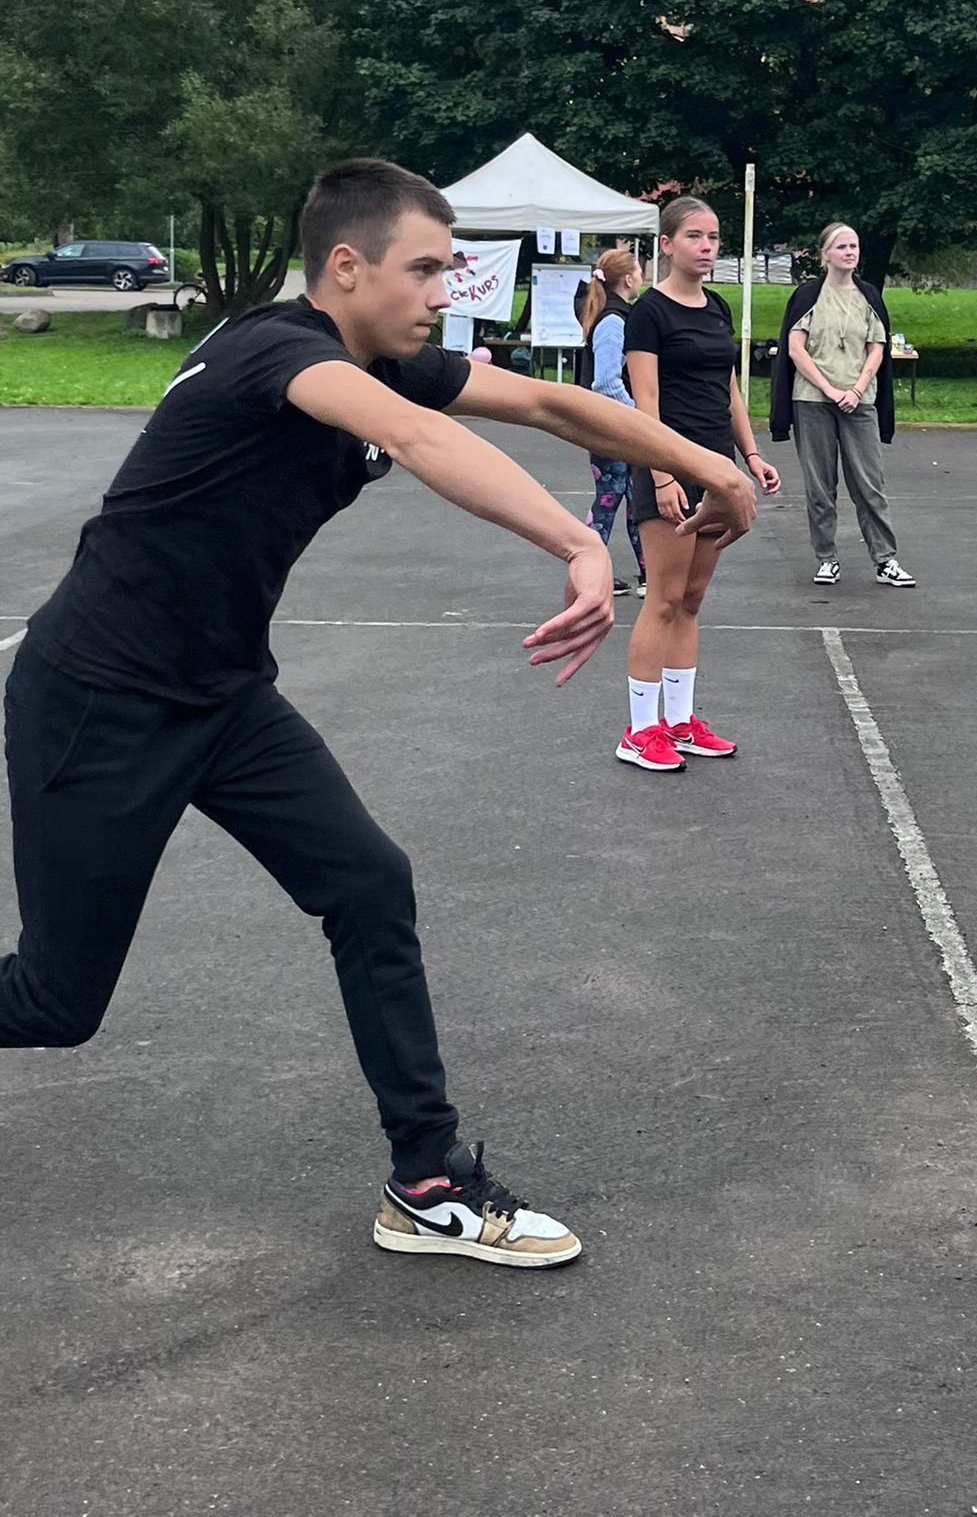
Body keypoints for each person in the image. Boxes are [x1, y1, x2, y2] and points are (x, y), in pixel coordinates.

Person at [1, 159, 757, 1268]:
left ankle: (430, 1180)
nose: (444, 293)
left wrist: (711, 465)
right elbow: (415, 437)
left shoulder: (386, 356)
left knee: (368, 883)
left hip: (224, 696)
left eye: (449, 270)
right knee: (55, 1001)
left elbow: (552, 402)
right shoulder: (280, 351)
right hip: (97, 699)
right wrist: (578, 541)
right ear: (347, 266)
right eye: (426, 270)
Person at [618, 196, 780, 772]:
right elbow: (645, 400)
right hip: (668, 466)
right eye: (694, 236)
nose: (707, 246)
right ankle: (640, 731)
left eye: (713, 237)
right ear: (666, 244)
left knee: (691, 599)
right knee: (662, 599)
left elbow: (729, 388)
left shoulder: (717, 307)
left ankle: (681, 722)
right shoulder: (648, 313)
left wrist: (750, 455)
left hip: (717, 469)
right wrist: (661, 473)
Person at [768, 222, 914, 588]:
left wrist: (856, 389)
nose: (850, 252)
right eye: (842, 247)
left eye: (854, 246)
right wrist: (829, 389)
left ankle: (885, 559)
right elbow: (796, 349)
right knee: (820, 485)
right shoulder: (808, 295)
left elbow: (877, 348)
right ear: (825, 254)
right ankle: (826, 558)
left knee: (869, 483)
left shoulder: (868, 296)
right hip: (813, 400)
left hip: (859, 402)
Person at [577, 248, 648, 595]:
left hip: (612, 425)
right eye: (640, 271)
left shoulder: (613, 315)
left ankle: (649, 573)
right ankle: (587, 571)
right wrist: (637, 414)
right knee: (610, 498)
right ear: (629, 279)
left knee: (636, 497)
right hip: (612, 426)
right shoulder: (613, 321)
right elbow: (605, 381)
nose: (643, 277)